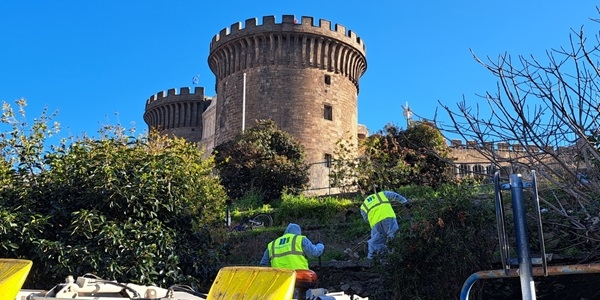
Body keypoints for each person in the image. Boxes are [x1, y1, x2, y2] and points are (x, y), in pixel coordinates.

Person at [360, 184, 412, 259]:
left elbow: (366, 219)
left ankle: (372, 259)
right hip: (388, 218)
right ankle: (394, 256)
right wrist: (405, 202)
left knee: (376, 242)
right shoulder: (381, 194)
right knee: (394, 236)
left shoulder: (363, 206)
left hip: (375, 224)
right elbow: (395, 196)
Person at [260, 223, 324, 270]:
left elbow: (264, 263)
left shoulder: (272, 244)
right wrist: (320, 245)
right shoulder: (300, 239)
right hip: (299, 277)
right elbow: (314, 252)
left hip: (279, 278)